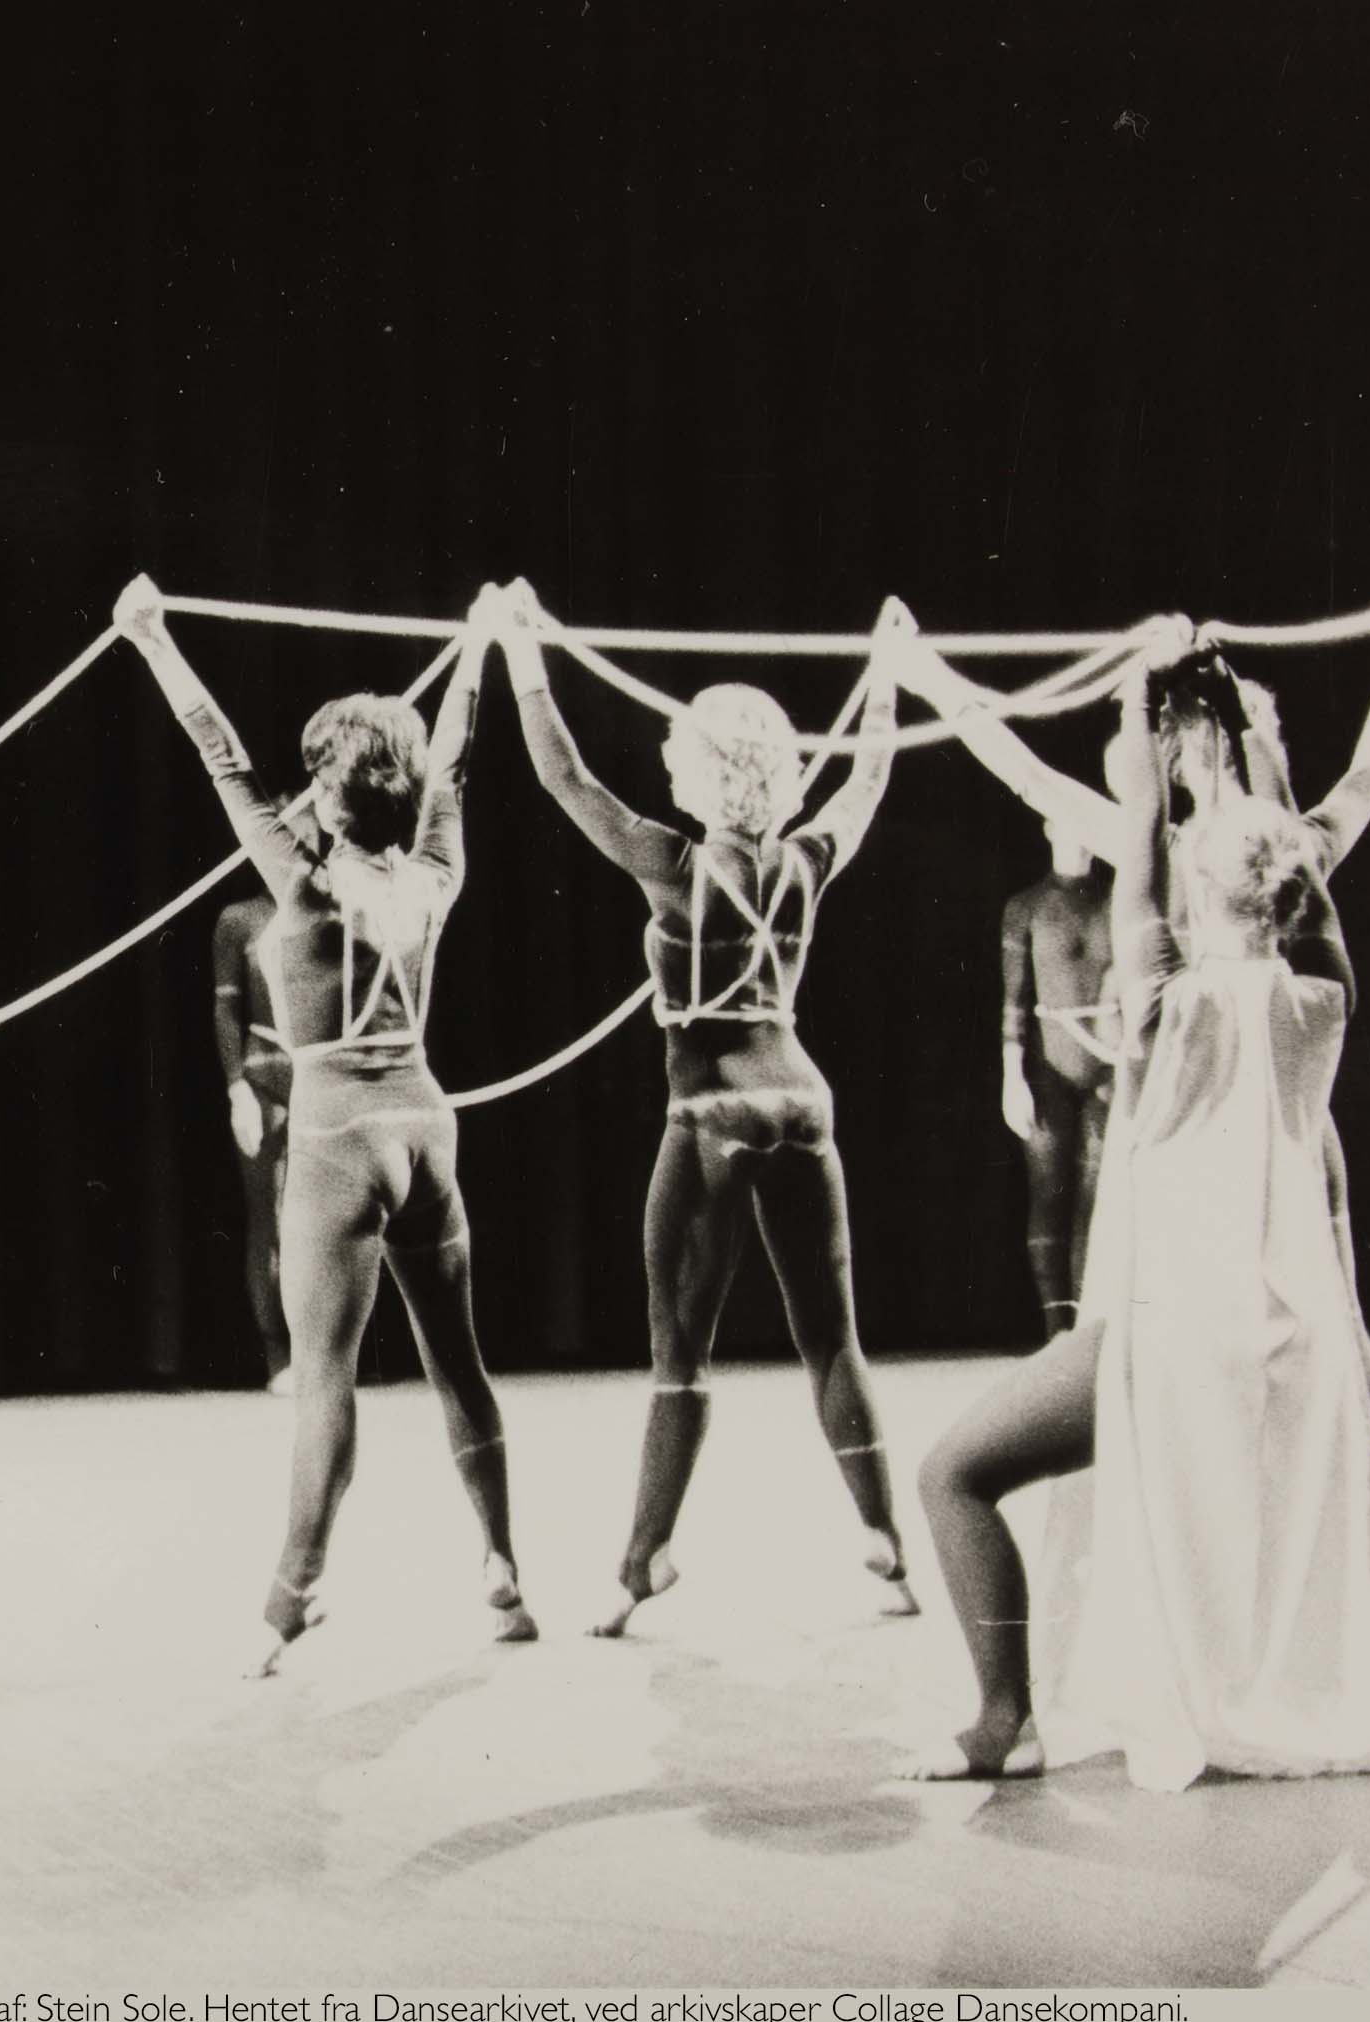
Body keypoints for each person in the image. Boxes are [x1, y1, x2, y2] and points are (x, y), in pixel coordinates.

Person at [904, 656, 1370, 1788]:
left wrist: (1109, 705)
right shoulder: (1322, 997)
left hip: (1173, 1339)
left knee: (952, 1471)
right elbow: (1362, 780)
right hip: (1284, 1328)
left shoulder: (1159, 993)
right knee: (1364, 1444)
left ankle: (1001, 1717)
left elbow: (1124, 866)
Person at [115, 575, 537, 1676]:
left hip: (340, 1133)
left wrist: (148, 636)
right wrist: (478, 646)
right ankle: (501, 1566)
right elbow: (452, 762)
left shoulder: (298, 884)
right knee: (458, 1362)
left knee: (323, 1379)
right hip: (423, 1124)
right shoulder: (434, 874)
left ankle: (292, 1593)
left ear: (328, 792)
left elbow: (219, 753)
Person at [496, 583, 920, 1637]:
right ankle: (885, 1542)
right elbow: (868, 775)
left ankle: (642, 1559)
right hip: (802, 1101)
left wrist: (519, 651)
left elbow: (561, 777)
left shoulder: (674, 864)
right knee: (831, 1338)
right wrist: (886, 671)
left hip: (712, 1109)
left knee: (678, 1352)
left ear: (700, 767)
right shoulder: (807, 859)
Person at [999, 814, 1117, 1336]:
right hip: (1048, 1071)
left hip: (1108, 1069)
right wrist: (1012, 1079)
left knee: (1098, 1198)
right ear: (1051, 829)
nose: (1083, 834)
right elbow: (1014, 1002)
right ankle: (1056, 1333)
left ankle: (1087, 1331)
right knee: (1049, 1194)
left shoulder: (1117, 902)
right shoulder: (1026, 907)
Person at [211, 886, 295, 1392]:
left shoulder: (339, 904)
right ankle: (279, 1357)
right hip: (264, 1077)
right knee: (270, 1219)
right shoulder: (240, 918)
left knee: (332, 1225)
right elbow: (226, 1008)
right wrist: (236, 1088)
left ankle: (326, 1355)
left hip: (325, 1080)